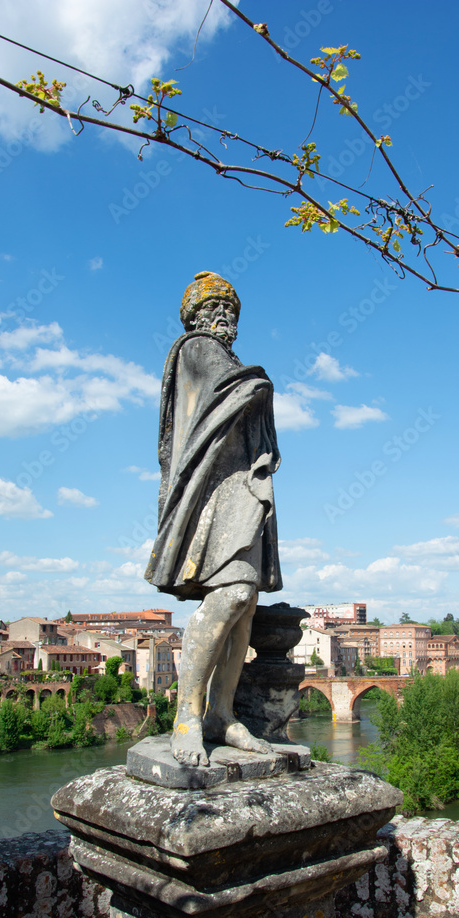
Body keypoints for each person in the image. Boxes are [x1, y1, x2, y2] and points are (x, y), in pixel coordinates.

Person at [145, 271, 282, 766]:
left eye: (231, 310)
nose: (225, 317)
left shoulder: (232, 360)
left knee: (244, 603)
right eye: (216, 308)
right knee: (232, 597)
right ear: (197, 316)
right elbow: (231, 391)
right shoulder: (196, 348)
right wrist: (258, 384)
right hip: (215, 493)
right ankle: (187, 715)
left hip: (239, 487)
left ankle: (221, 715)